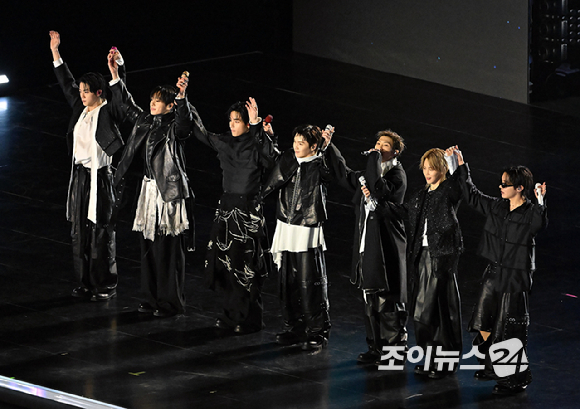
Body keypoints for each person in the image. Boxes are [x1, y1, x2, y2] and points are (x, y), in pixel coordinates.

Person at [452, 147, 547, 395]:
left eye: (505, 184)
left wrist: (540, 200)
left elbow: (540, 223)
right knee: (483, 322)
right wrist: (461, 166)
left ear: (520, 188)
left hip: (515, 277)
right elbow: (472, 196)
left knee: (508, 328)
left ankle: (513, 379)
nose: (500, 187)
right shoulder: (498, 207)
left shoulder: (530, 213)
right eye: (501, 182)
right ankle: (492, 366)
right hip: (493, 272)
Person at [110, 58, 194, 317]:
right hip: (148, 191)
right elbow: (127, 105)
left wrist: (182, 98)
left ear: (170, 106)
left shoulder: (174, 126)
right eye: (152, 99)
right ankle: (150, 298)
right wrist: (116, 75)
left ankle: (170, 302)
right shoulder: (146, 120)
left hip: (168, 194)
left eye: (158, 101)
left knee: (168, 249)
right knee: (148, 245)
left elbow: (185, 124)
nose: (153, 104)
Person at [190, 98, 279, 334]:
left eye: (237, 121)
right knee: (226, 264)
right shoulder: (226, 142)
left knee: (246, 266)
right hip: (227, 209)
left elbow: (272, 159)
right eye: (230, 120)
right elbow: (200, 132)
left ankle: (250, 319)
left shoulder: (258, 143)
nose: (232, 125)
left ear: (247, 124)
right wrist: (183, 100)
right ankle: (230, 314)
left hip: (247, 211)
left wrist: (258, 125)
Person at [49, 30, 125, 302]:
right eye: (80, 91)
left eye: (86, 91)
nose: (81, 95)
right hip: (81, 177)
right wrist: (55, 52)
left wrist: (117, 71)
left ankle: (105, 284)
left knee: (101, 232)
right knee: (79, 232)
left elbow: (121, 99)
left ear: (98, 93)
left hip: (100, 179)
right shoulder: (80, 109)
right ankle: (85, 283)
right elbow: (66, 82)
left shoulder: (107, 111)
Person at [328, 130, 408, 364]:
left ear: (395, 152)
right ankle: (375, 348)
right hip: (367, 243)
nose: (378, 148)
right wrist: (329, 146)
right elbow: (345, 175)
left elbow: (378, 188)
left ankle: (395, 351)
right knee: (370, 297)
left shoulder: (397, 175)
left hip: (386, 246)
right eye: (377, 143)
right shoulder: (371, 172)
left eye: (385, 145)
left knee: (388, 298)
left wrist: (373, 159)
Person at [384, 147, 463, 379]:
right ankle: (430, 358)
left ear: (442, 169)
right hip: (421, 256)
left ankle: (444, 361)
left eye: (432, 168)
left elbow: (459, 188)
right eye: (425, 168)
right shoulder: (422, 193)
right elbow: (405, 211)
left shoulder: (448, 190)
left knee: (437, 310)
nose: (427, 172)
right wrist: (378, 203)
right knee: (423, 312)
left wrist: (455, 163)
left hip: (440, 257)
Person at [260, 124, 339, 351]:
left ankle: (317, 330)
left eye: (301, 143)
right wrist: (267, 134)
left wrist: (325, 148)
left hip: (306, 227)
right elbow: (270, 158)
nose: (296, 146)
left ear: (313, 146)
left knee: (309, 282)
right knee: (287, 282)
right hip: (286, 225)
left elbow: (331, 173)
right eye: (295, 141)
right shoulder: (289, 158)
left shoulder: (319, 163)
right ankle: (293, 327)